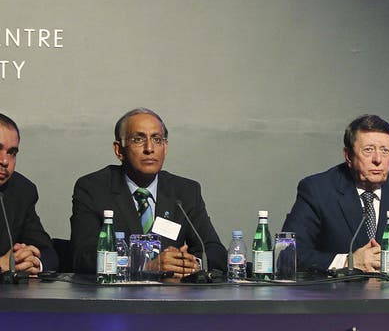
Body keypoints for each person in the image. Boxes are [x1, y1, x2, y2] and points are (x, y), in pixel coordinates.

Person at [283, 114, 389, 274]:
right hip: (337, 297)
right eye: (368, 150)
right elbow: (288, 255)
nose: (378, 159)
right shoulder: (318, 189)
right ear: (348, 156)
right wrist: (349, 262)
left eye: (385, 151)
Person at [71, 108, 226, 276]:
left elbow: (214, 250)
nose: (149, 148)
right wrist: (146, 266)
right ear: (119, 150)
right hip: (116, 297)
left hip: (172, 297)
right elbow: (83, 257)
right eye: (138, 139)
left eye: (157, 139)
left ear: (165, 147)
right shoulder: (93, 188)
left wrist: (191, 264)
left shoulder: (185, 191)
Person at [0, 113, 58, 274]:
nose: (4, 161)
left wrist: (32, 261)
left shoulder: (21, 191)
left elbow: (48, 252)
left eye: (12, 152)